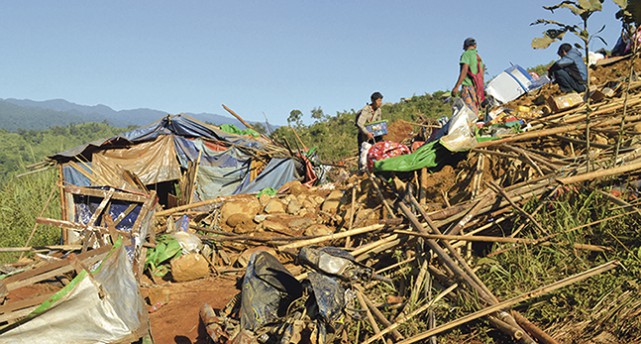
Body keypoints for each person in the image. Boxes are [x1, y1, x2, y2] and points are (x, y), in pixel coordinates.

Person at [452, 37, 485, 116]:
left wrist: (456, 86)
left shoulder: (466, 54)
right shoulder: (478, 57)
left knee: (469, 113)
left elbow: (464, 70)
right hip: (477, 89)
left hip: (468, 87)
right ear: (475, 46)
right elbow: (481, 74)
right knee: (475, 110)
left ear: (465, 46)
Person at [355, 92, 383, 170]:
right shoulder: (366, 110)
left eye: (381, 101)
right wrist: (367, 133)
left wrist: (380, 131)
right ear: (373, 101)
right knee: (363, 153)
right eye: (378, 101)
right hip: (363, 135)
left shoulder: (378, 110)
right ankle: (361, 170)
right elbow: (359, 123)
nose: (380, 103)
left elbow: (378, 122)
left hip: (373, 134)